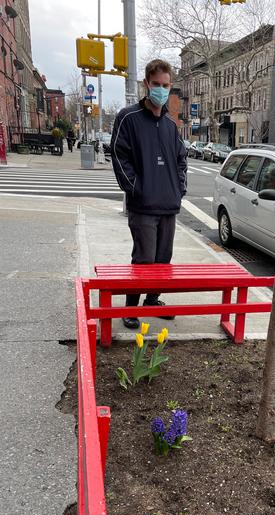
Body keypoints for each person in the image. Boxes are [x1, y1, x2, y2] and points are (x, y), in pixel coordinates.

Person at [111, 59, 188, 329]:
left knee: (162, 260)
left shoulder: (170, 125)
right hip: (143, 206)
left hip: (168, 205)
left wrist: (179, 189)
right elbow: (119, 156)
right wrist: (135, 188)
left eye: (166, 85)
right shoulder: (128, 118)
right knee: (144, 259)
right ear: (146, 84)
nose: (161, 90)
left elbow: (181, 160)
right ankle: (130, 308)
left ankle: (152, 300)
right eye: (156, 84)